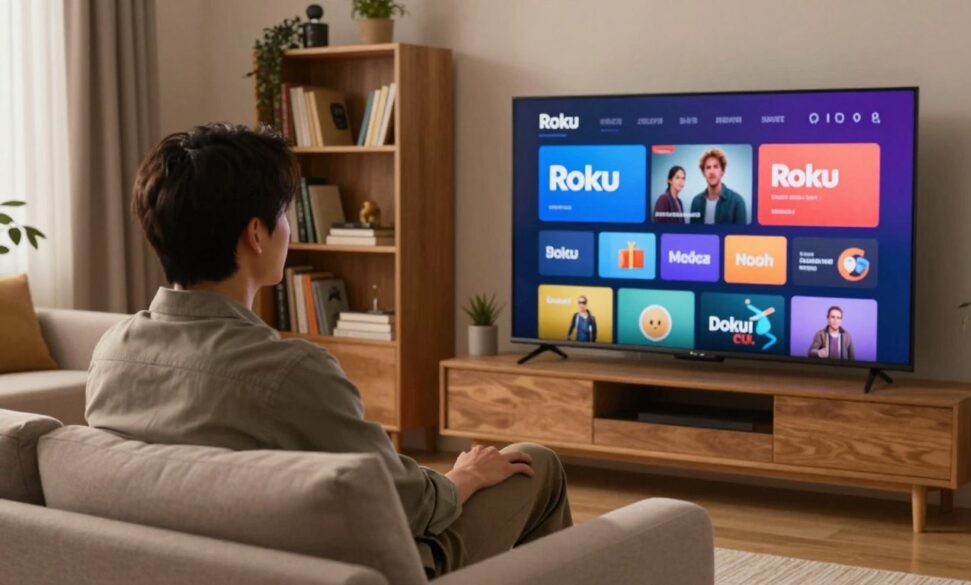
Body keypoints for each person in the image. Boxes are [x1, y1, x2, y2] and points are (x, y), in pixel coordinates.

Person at [85, 123, 572, 577]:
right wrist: (463, 477)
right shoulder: (289, 371)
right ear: (255, 234)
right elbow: (401, 506)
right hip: (370, 574)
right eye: (283, 214)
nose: (289, 230)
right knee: (536, 462)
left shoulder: (110, 354)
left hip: (205, 569)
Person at [689, 148, 747, 225]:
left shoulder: (737, 202)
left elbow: (740, 235)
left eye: (715, 167)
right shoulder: (696, 202)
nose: (712, 171)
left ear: (722, 171)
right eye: (708, 167)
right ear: (703, 173)